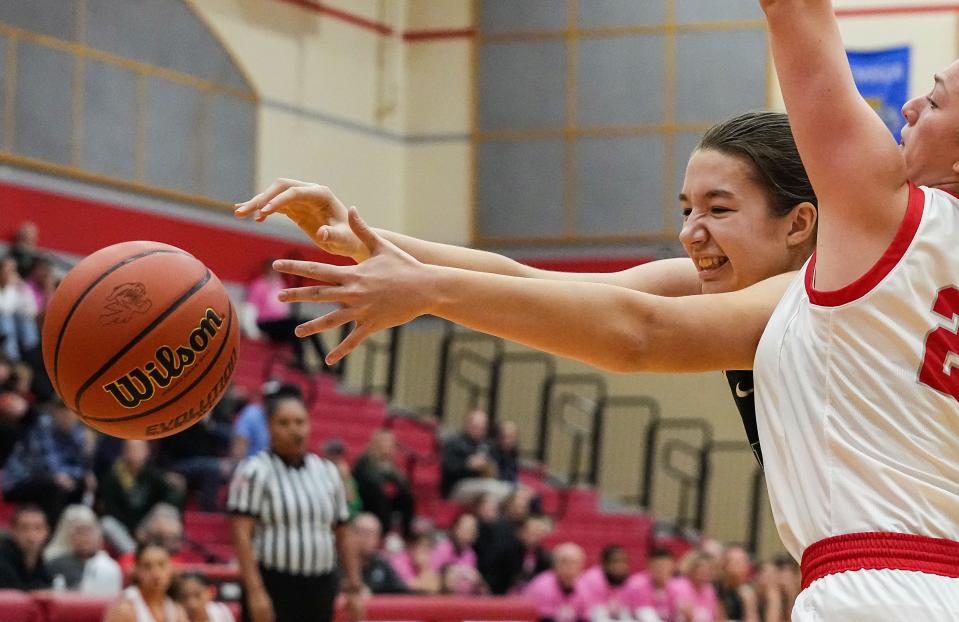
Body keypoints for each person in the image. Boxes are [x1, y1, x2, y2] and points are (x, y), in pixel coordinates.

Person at [234, 110, 819, 470]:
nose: (691, 233)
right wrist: (359, 239)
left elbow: (640, 335)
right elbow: (536, 285)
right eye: (687, 209)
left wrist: (429, 290)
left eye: (718, 209)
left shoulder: (810, 295)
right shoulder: (735, 283)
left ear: (798, 223)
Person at [227, 393, 364, 622]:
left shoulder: (327, 471)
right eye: (284, 423)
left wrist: (354, 586)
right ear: (269, 427)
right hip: (274, 584)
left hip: (321, 585)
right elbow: (241, 535)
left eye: (300, 422)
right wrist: (256, 592)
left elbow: (342, 531)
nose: (294, 430)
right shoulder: (254, 471)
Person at [2, 398, 92, 527]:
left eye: (70, 412)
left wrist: (78, 476)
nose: (66, 416)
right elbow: (45, 465)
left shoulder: (78, 433)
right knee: (54, 487)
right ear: (54, 411)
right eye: (61, 411)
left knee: (85, 484)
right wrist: (64, 477)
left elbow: (80, 465)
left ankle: (74, 529)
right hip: (20, 481)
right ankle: (51, 533)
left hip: (53, 479)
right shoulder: (42, 427)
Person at [97, 440, 185, 543]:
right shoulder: (113, 475)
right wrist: (134, 530)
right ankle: (132, 553)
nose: (135, 452)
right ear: (124, 451)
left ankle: (167, 550)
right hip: (124, 525)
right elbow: (111, 509)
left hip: (147, 526)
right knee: (107, 523)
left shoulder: (152, 473)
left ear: (147, 451)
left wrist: (154, 521)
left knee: (166, 510)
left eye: (139, 449)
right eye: (131, 449)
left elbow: (174, 496)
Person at [245, 259, 326, 370]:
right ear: (267, 270)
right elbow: (250, 309)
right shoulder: (259, 285)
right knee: (294, 324)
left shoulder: (280, 285)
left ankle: (324, 361)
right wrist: (253, 331)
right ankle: (300, 360)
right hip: (266, 324)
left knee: (309, 323)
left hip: (282, 324)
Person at [45, 504, 122, 595]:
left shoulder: (110, 567)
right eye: (80, 531)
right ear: (70, 536)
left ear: (99, 535)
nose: (85, 537)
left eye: (89, 531)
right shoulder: (55, 565)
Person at [102, 541, 187, 622]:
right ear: (136, 571)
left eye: (162, 565)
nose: (156, 573)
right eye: (147, 566)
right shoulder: (124, 609)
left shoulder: (176, 610)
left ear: (171, 568)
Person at [351, 428, 413, 536]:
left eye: (391, 443)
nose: (389, 446)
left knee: (407, 498)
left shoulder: (391, 465)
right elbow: (371, 482)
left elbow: (403, 485)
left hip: (385, 498)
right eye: (386, 442)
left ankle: (406, 534)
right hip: (366, 500)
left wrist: (394, 477)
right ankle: (383, 533)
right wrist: (386, 478)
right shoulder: (365, 460)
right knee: (381, 495)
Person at [522, 542, 588, 622]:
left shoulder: (585, 586)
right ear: (555, 564)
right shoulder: (541, 585)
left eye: (574, 563)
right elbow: (542, 617)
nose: (569, 567)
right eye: (564, 562)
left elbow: (585, 616)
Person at [352, 512, 408, 594]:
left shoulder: (381, 563)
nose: (365, 538)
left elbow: (402, 591)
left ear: (378, 539)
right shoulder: (339, 564)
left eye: (371, 534)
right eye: (362, 532)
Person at [576, 545, 636, 621]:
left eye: (624, 562)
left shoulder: (626, 581)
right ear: (604, 564)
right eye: (615, 562)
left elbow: (624, 614)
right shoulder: (592, 580)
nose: (620, 566)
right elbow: (597, 618)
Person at [0, 504, 51, 590]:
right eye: (24, 528)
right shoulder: (2, 563)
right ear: (12, 531)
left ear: (47, 531)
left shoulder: (42, 563)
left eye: (38, 528)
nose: (31, 536)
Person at [714, 545, 758, 622]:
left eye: (743, 562)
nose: (741, 566)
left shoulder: (748, 591)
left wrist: (749, 604)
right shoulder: (715, 588)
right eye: (736, 562)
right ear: (724, 565)